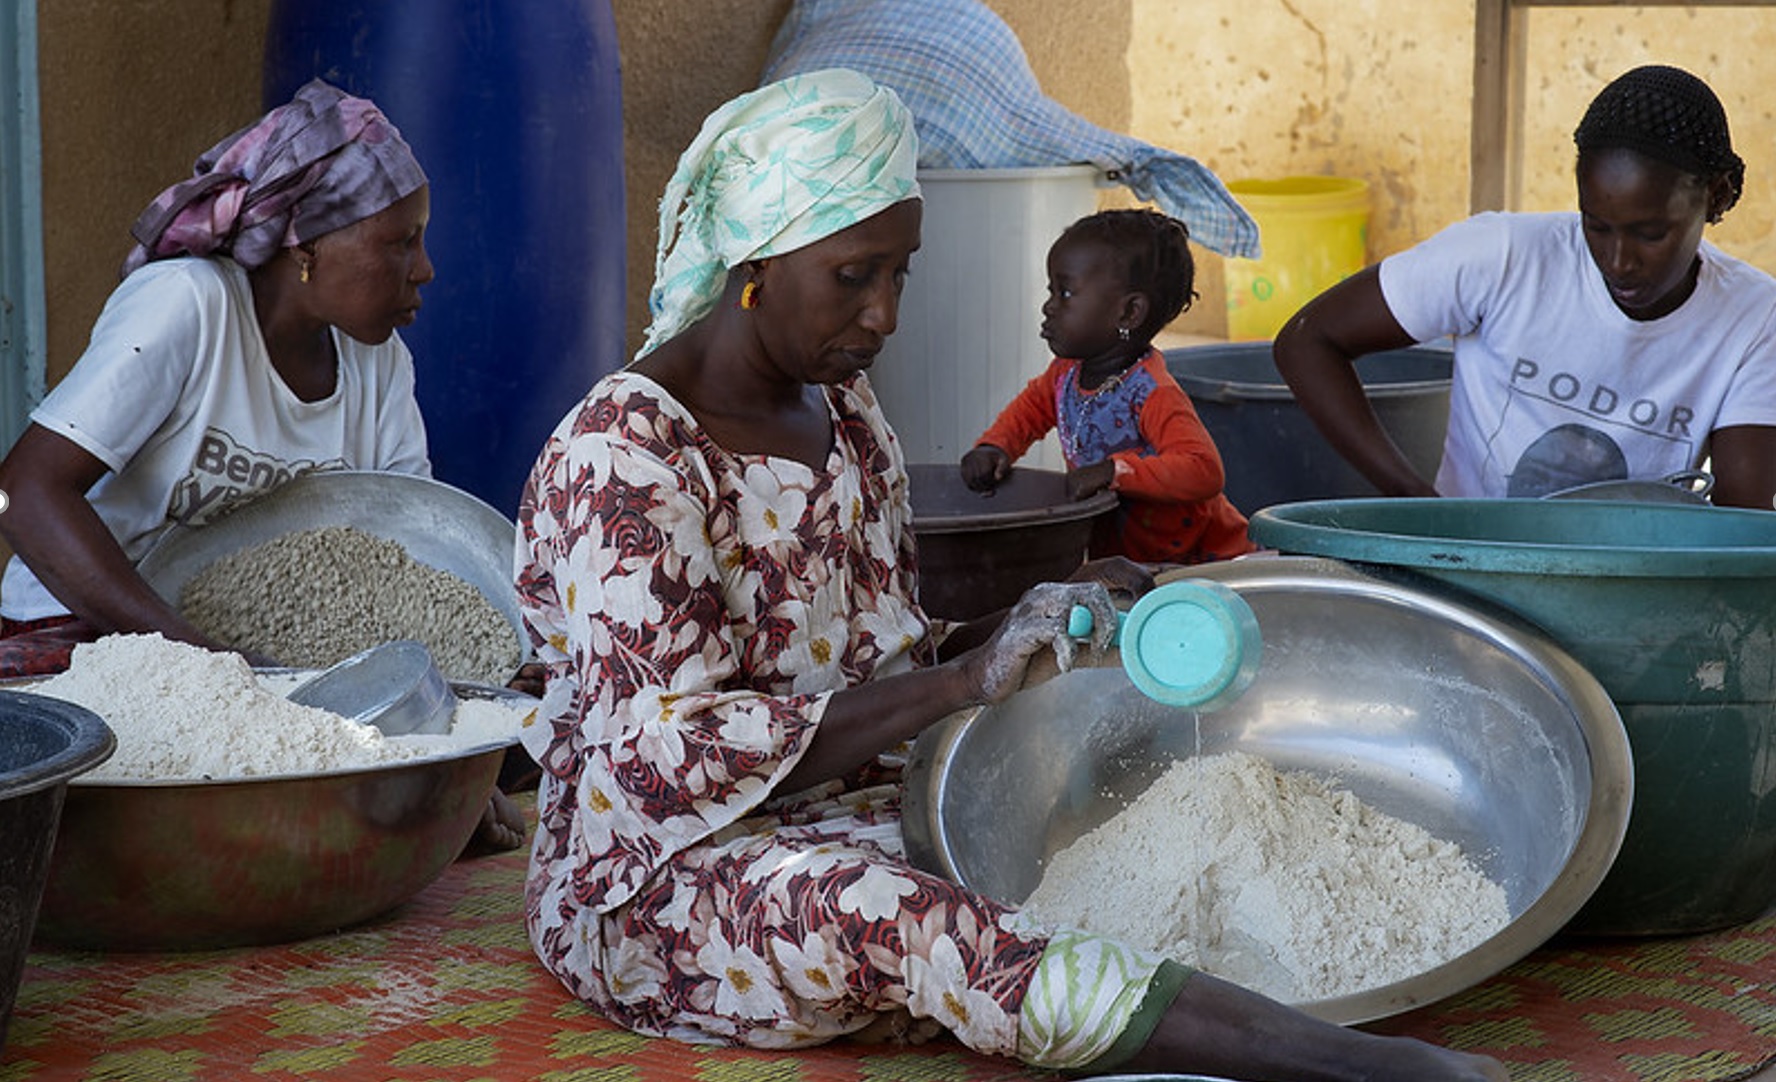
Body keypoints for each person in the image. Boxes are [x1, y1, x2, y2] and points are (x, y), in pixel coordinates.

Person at [514, 67, 1506, 1082]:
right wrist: (956, 681)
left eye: (900, 272)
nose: (886, 312)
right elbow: (660, 758)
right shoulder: (629, 458)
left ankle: (1132, 1008)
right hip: (657, 874)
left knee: (1112, 814)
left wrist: (1023, 627)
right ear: (758, 259)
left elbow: (881, 652)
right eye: (854, 274)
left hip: (860, 806)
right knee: (887, 913)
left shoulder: (846, 415)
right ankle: (1345, 1065)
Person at [0, 78, 525, 851]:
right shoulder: (189, 306)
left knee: (532, 721)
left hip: (261, 659)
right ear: (305, 246)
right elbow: (26, 491)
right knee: (125, 790)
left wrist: (432, 743)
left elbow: (406, 560)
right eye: (398, 242)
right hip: (90, 626)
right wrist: (208, 665)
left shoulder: (377, 363)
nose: (426, 270)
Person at [1272, 63, 1776, 508]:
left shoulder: (1754, 316)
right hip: (1471, 571)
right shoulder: (1503, 257)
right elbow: (1307, 339)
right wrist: (1417, 499)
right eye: (1596, 226)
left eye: (1650, 234)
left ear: (1716, 197)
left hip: (1633, 588)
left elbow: (1742, 518)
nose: (1618, 262)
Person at [960, 208, 1255, 564]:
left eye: (1066, 293)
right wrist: (995, 448)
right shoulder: (1065, 374)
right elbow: (1029, 412)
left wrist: (1115, 472)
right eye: (1052, 291)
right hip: (1129, 556)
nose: (1048, 307)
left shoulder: (1151, 393)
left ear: (1129, 313)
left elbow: (1203, 470)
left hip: (1203, 560)